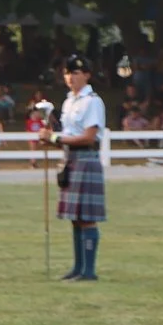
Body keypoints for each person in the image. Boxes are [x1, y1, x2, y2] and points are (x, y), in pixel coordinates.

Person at [48, 54, 106, 280]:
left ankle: (89, 271)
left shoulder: (92, 101)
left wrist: (56, 138)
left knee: (86, 217)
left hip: (86, 158)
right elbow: (67, 134)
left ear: (87, 75)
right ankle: (78, 267)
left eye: (75, 73)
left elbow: (89, 137)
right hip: (70, 158)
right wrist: (51, 137)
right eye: (67, 73)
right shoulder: (68, 102)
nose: (70, 77)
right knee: (75, 216)